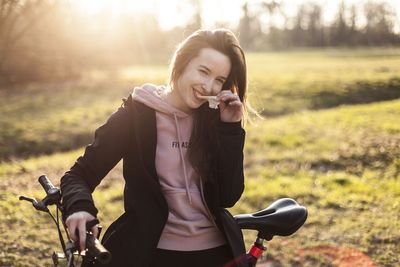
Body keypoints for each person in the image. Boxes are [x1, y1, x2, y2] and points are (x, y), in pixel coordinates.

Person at [60, 28, 249, 267]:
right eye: (203, 71)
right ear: (181, 63)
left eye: (219, 80)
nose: (209, 86)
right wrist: (79, 208)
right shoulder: (137, 114)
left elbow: (229, 196)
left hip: (217, 251)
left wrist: (230, 129)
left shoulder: (215, 118)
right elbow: (79, 174)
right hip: (148, 250)